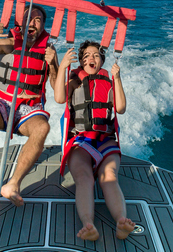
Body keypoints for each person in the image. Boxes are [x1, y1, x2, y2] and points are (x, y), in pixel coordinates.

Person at [0, 5, 58, 207]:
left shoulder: (48, 51)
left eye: (38, 19)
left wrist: (54, 64)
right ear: (20, 23)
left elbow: (59, 91)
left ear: (43, 27)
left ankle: (13, 185)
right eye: (29, 18)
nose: (32, 22)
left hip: (29, 108)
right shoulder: (7, 43)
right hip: (1, 102)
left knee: (43, 127)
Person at [55, 40, 136, 241]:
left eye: (96, 55)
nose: (92, 58)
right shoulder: (74, 80)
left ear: (102, 61)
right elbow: (58, 98)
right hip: (81, 141)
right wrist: (63, 67)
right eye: (87, 56)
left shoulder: (107, 82)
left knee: (109, 176)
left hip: (105, 140)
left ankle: (121, 221)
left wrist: (117, 78)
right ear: (81, 62)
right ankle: (88, 224)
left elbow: (120, 108)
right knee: (84, 178)